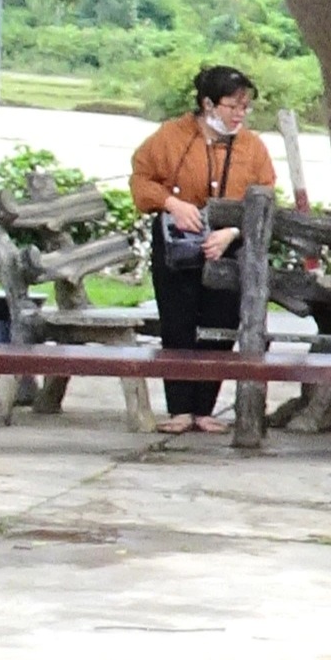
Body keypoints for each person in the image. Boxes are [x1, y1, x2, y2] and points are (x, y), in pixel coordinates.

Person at [129, 64, 278, 434]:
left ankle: (204, 408)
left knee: (220, 323)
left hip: (227, 243)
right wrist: (172, 204)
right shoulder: (170, 136)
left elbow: (267, 195)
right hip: (179, 240)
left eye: (245, 107)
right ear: (208, 104)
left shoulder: (253, 147)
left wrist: (231, 231)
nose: (240, 114)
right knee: (178, 322)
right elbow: (141, 179)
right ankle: (179, 408)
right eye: (233, 106)